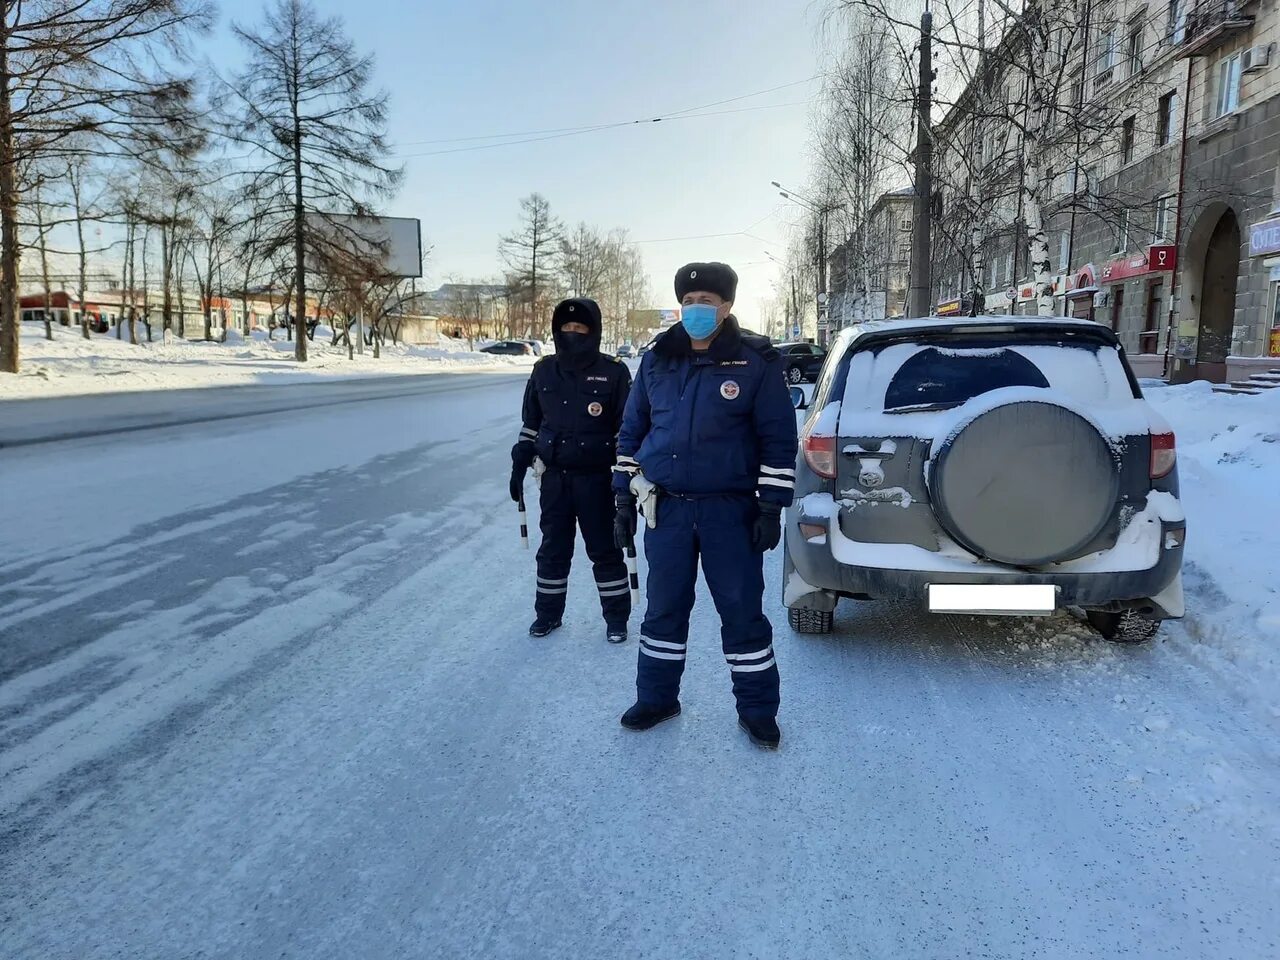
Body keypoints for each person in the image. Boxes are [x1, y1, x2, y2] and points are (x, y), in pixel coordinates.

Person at [613, 262, 798, 748]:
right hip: (668, 509)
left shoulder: (756, 361)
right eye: (689, 300)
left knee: (741, 612)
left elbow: (777, 438)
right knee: (663, 608)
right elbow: (633, 430)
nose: (696, 309)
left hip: (729, 512)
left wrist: (770, 506)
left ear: (727, 306)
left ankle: (757, 710)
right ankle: (657, 697)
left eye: (707, 301)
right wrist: (621, 496)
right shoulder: (656, 359)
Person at [511, 297, 633, 642]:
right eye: (566, 328)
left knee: (605, 551)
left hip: (597, 480)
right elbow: (531, 423)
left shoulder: (614, 372)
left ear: (593, 331)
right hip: (555, 479)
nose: (572, 334)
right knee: (553, 549)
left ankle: (616, 619)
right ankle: (547, 615)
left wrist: (626, 481)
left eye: (580, 328)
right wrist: (521, 457)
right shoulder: (544, 370)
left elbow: (627, 430)